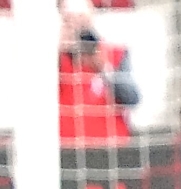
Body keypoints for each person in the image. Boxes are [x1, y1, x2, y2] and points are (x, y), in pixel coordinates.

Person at [58, 0, 139, 147]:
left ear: (91, 15)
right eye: (69, 19)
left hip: (111, 146)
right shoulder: (54, 59)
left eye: (81, 17)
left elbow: (132, 98)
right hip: (67, 147)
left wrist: (104, 69)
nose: (77, 25)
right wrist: (57, 52)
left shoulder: (115, 53)